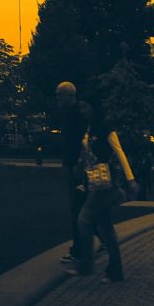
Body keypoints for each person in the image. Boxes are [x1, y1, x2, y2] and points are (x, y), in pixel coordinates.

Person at [69, 96, 137, 283]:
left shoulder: (106, 127)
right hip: (94, 182)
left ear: (94, 106)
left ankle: (86, 265)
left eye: (85, 106)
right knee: (106, 229)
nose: (82, 111)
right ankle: (114, 271)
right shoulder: (90, 128)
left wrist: (130, 179)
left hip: (104, 183)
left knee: (83, 220)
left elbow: (119, 151)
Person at [54, 81, 88, 265]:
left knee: (77, 209)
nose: (57, 98)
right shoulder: (71, 114)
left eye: (59, 94)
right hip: (73, 166)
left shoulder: (77, 115)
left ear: (70, 95)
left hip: (77, 169)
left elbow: (76, 143)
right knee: (82, 208)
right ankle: (101, 241)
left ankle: (79, 250)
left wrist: (73, 165)